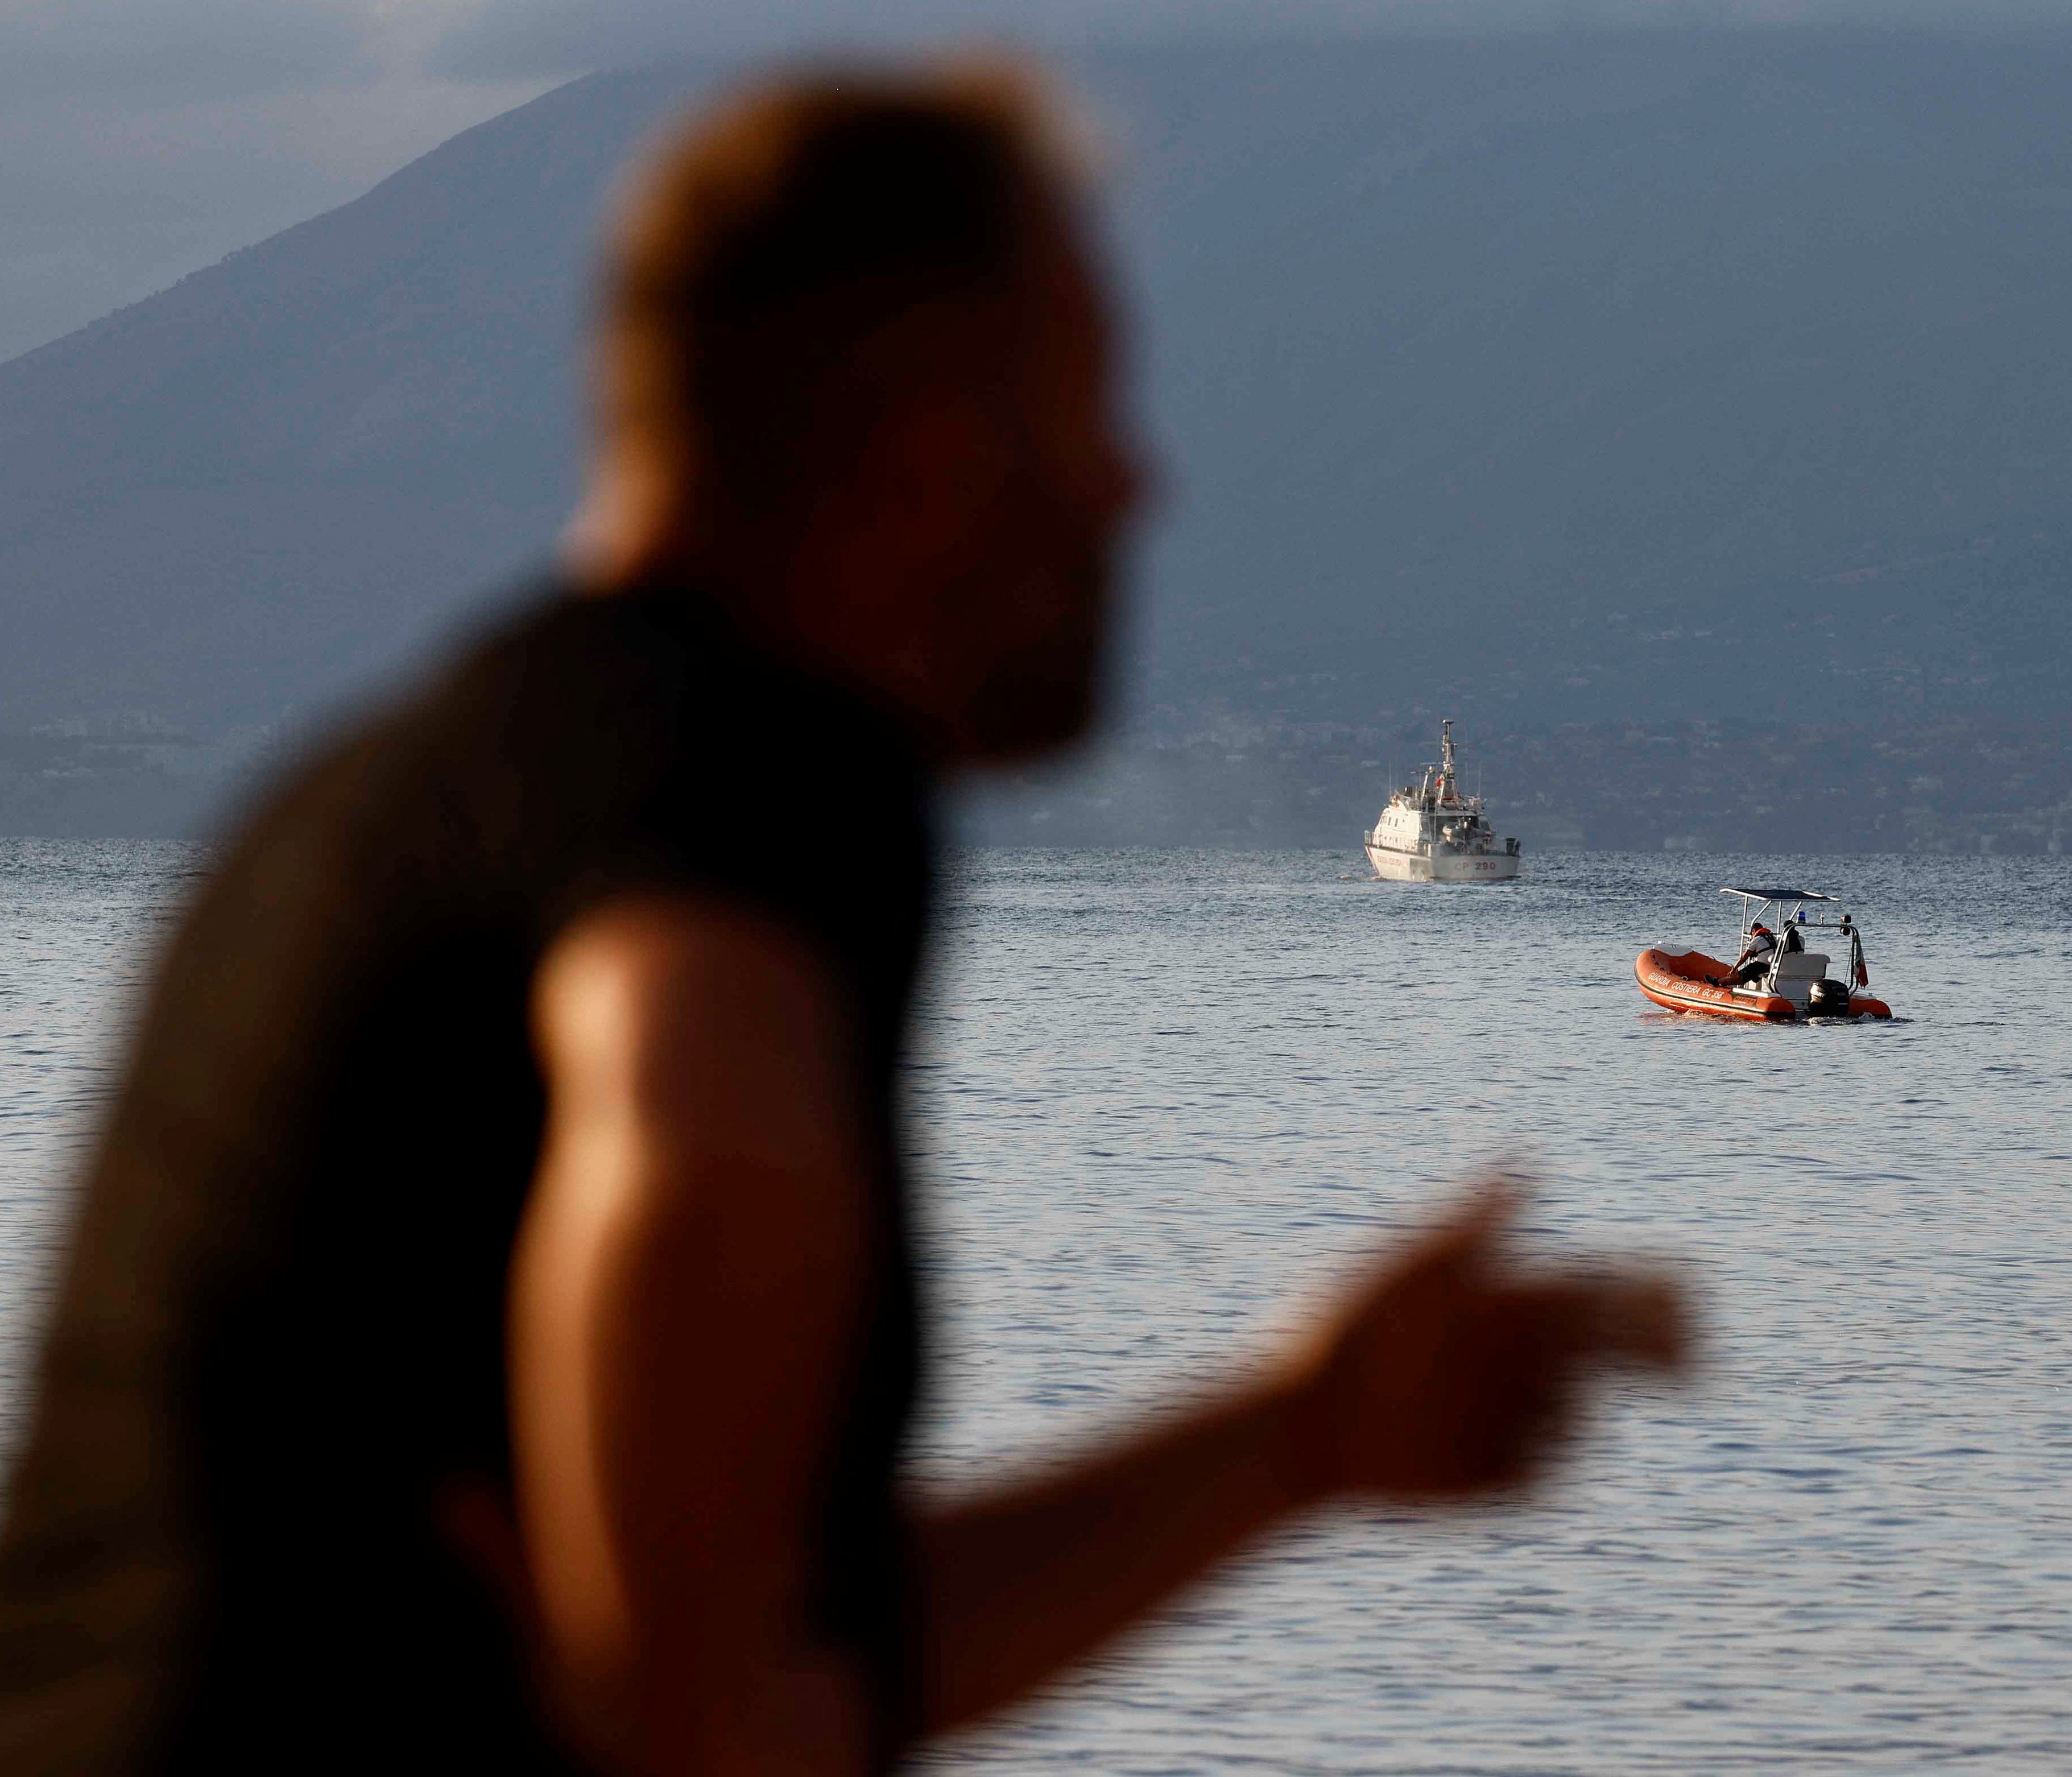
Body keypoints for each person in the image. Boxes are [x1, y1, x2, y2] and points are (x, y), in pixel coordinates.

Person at [0, 64, 1685, 1776]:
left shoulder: (449, 772)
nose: (1131, 493)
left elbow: (783, 1669)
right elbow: (691, 1136)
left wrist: (1296, 1442)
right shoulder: (728, 769)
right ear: (923, 448)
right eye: (1085, 417)